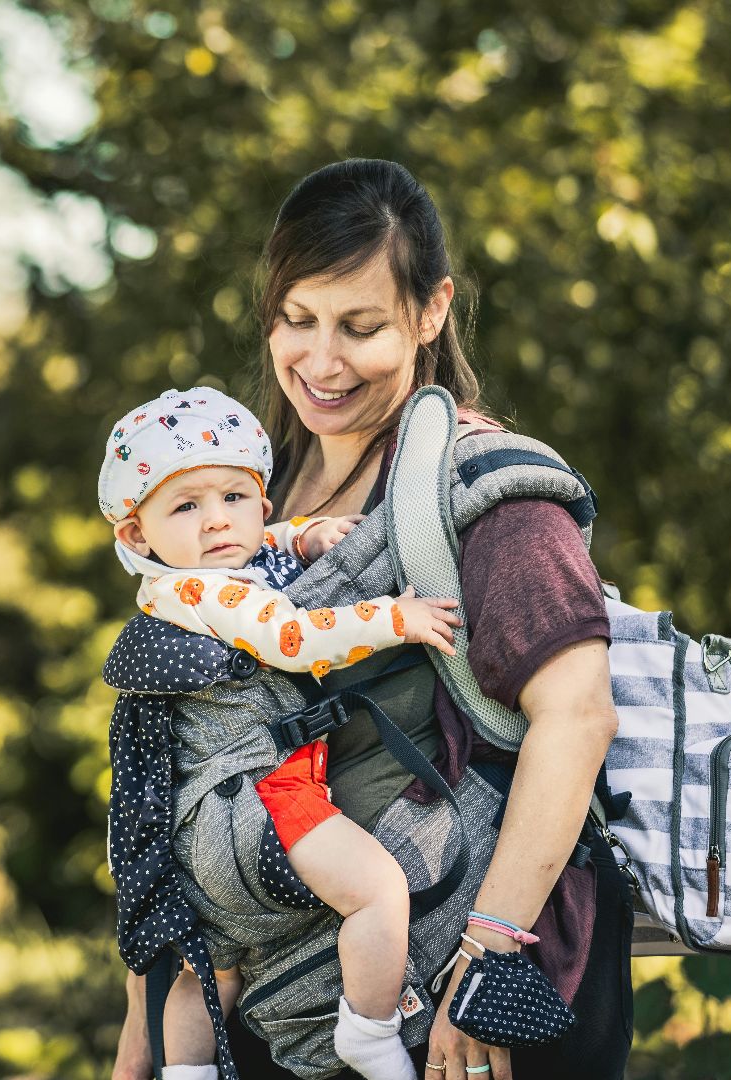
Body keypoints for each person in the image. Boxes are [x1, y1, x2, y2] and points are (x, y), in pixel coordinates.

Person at [109, 158, 629, 1080]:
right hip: (279, 1000)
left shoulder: (484, 487)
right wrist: (144, 1034)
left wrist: (487, 962)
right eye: (296, 320)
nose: (321, 361)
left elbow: (579, 717)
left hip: (455, 1000)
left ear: (431, 312)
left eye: (360, 326)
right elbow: (189, 753)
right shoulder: (241, 505)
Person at [98, 387, 464, 1080]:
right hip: (265, 800)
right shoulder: (212, 593)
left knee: (215, 966)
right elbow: (292, 636)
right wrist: (394, 617)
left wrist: (300, 537)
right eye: (186, 506)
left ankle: (186, 1071)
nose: (217, 523)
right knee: (378, 892)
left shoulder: (180, 581)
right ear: (137, 535)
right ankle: (369, 1031)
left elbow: (253, 547)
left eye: (235, 497)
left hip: (198, 827)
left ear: (262, 503)